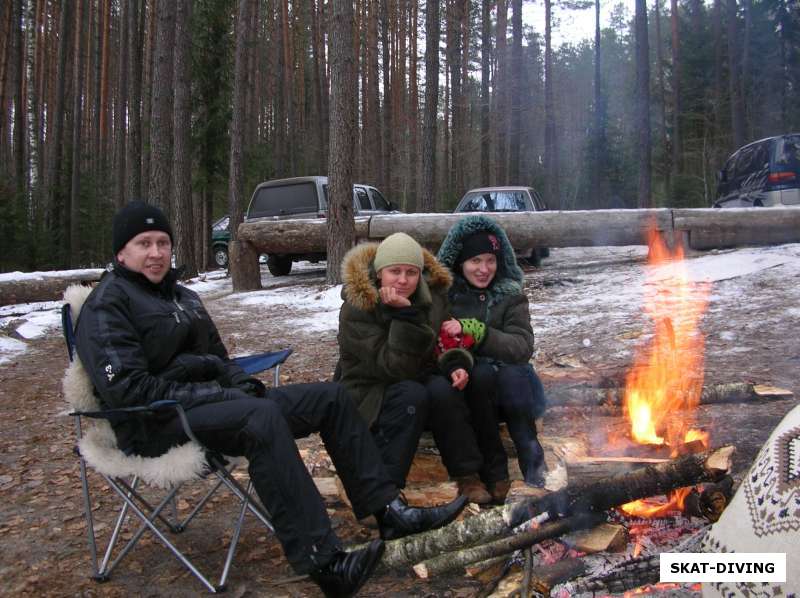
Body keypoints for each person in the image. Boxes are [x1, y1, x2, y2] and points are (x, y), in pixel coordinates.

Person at [74, 202, 467, 598]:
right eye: (144, 243)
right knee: (258, 418)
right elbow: (128, 389)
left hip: (212, 407)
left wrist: (239, 384)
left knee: (330, 396)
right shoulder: (108, 304)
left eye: (162, 242)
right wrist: (221, 393)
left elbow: (219, 360)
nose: (157, 252)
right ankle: (325, 562)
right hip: (154, 422)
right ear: (121, 252)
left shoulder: (183, 297)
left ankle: (388, 512)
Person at [335, 232, 492, 504]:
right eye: (394, 271)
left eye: (411, 272)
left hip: (415, 374)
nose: (403, 280)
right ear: (379, 272)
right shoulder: (358, 307)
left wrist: (454, 363)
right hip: (369, 387)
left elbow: (444, 338)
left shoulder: (433, 297)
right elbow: (393, 368)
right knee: (412, 394)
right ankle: (384, 494)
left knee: (444, 390)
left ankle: (467, 475)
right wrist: (405, 316)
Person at [437, 215, 548, 502]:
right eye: (475, 261)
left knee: (511, 375)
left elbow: (522, 346)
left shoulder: (510, 296)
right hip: (470, 390)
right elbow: (442, 345)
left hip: (512, 393)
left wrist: (481, 333)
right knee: (481, 376)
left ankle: (535, 466)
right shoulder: (447, 298)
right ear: (461, 262)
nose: (484, 269)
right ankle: (495, 474)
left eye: (490, 260)